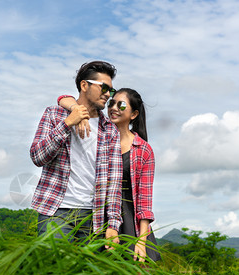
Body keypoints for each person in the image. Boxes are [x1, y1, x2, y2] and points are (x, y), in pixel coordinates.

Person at [58, 88, 161, 262]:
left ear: (134, 114)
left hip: (129, 221)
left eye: (121, 105)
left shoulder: (143, 150)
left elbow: (144, 201)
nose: (113, 108)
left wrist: (141, 241)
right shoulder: (99, 136)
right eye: (111, 103)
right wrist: (77, 111)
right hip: (96, 215)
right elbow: (62, 98)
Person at [30, 61, 123, 244]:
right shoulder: (54, 115)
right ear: (84, 85)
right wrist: (67, 124)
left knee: (87, 272)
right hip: (56, 211)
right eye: (104, 87)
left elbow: (115, 181)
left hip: (93, 217)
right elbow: (37, 157)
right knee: (54, 268)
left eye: (110, 90)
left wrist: (113, 224)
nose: (107, 94)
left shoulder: (110, 130)